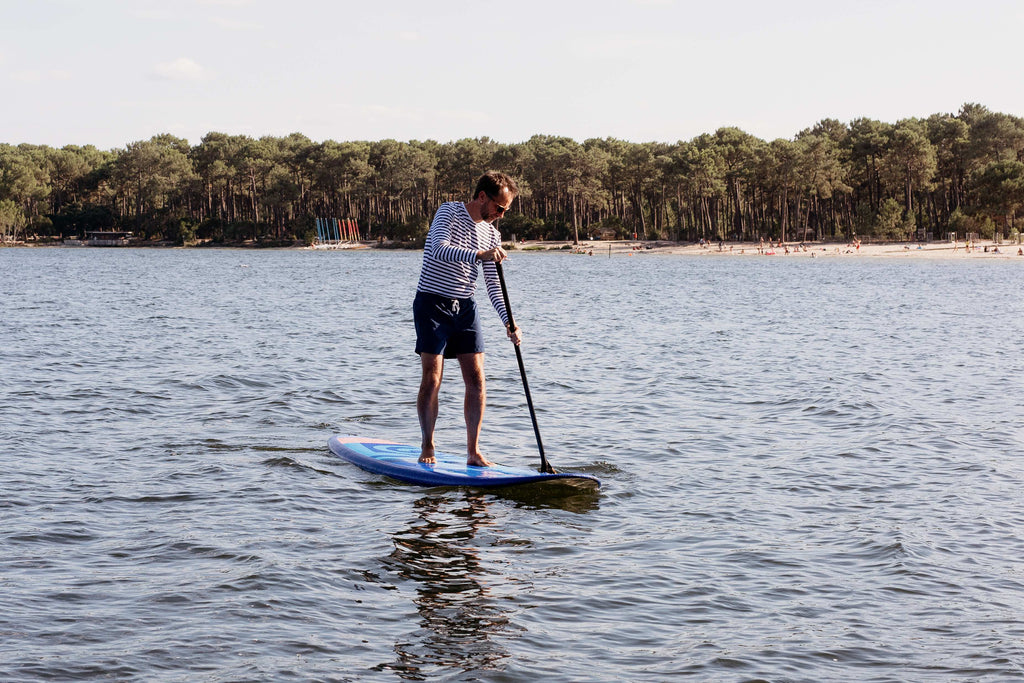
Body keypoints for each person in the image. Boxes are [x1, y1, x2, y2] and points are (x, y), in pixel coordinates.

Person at [413, 171, 523, 467]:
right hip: (431, 303)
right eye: (499, 208)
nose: (500, 215)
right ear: (482, 196)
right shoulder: (448, 211)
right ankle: (428, 443)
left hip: (465, 306)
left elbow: (493, 285)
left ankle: (473, 451)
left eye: (506, 211)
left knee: (476, 379)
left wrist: (508, 321)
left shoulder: (492, 234)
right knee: (432, 378)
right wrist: (478, 254)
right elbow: (438, 248)